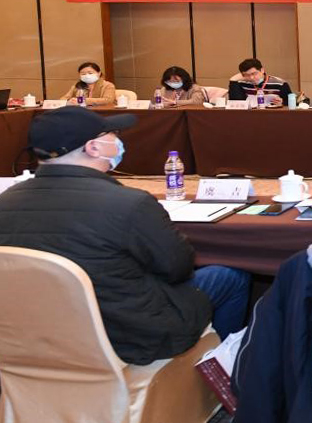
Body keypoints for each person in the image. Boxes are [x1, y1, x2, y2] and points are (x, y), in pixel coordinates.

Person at [0, 107, 250, 364]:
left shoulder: (5, 201)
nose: (118, 140)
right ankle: (221, 365)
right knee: (230, 277)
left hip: (33, 335)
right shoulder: (130, 203)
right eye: (112, 134)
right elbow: (178, 268)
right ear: (93, 147)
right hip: (129, 336)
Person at [227, 57, 292, 107]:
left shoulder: (280, 83)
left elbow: (292, 103)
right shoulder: (242, 83)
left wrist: (282, 102)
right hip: (250, 116)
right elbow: (235, 103)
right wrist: (233, 81)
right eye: (247, 75)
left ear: (262, 70)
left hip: (273, 115)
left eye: (254, 73)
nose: (251, 77)